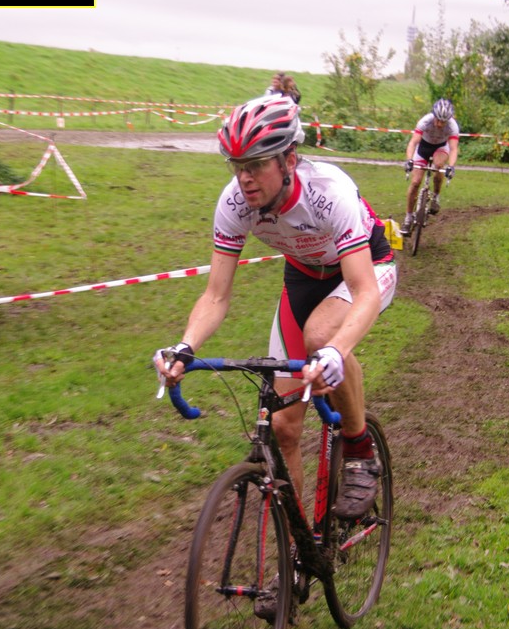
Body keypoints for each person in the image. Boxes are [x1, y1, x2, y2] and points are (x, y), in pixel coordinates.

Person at [155, 94, 397, 534]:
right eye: (237, 166)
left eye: (256, 165)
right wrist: (185, 346)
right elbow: (216, 296)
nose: (244, 178)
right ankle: (298, 548)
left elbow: (363, 290)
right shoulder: (234, 203)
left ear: (289, 159)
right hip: (303, 278)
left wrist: (335, 352)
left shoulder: (328, 192)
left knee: (321, 337)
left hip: (367, 268)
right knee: (283, 427)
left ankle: (360, 451)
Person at [401, 98, 459, 235]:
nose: (440, 124)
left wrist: (451, 166)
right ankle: (408, 217)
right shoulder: (425, 121)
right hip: (423, 148)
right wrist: (409, 160)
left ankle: (436, 196)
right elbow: (413, 143)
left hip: (441, 148)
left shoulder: (453, 126)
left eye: (443, 122)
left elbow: (453, 149)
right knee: (415, 182)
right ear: (434, 115)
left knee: (438, 165)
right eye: (438, 120)